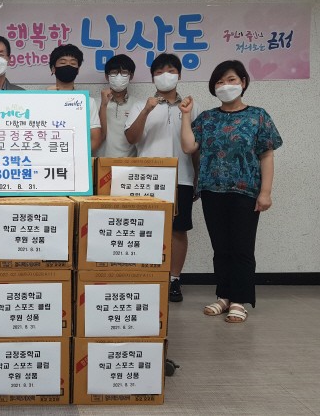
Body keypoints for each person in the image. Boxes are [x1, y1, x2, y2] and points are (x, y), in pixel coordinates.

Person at [179, 60, 282, 323]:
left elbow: (267, 155)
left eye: (231, 80)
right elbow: (189, 147)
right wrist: (185, 115)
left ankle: (239, 300)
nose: (226, 85)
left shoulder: (258, 116)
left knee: (242, 247)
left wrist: (266, 192)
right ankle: (223, 296)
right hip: (212, 190)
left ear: (243, 82)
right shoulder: (207, 118)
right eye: (220, 81)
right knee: (221, 247)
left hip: (246, 191)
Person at [125, 53, 200, 302]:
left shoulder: (191, 106)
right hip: (146, 180)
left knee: (178, 230)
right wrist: (148, 110)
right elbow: (131, 139)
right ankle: (147, 277)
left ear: (179, 75)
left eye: (170, 71)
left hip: (182, 177)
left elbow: (196, 147)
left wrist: (198, 177)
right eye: (159, 72)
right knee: (145, 228)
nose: (165, 76)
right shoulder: (141, 105)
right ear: (152, 78)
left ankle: (174, 280)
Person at [48, 44, 102, 155]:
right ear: (53, 68)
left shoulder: (88, 101)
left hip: (76, 160)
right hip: (48, 159)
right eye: (63, 63)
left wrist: (76, 157)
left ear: (78, 70)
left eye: (73, 63)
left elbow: (95, 139)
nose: (68, 66)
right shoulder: (41, 99)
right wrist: (48, 98)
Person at [98, 54, 137, 157]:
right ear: (106, 76)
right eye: (114, 72)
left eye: (124, 72)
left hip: (129, 163)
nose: (119, 76)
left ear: (131, 76)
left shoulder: (138, 105)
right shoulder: (95, 103)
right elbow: (97, 136)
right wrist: (103, 105)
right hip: (101, 163)